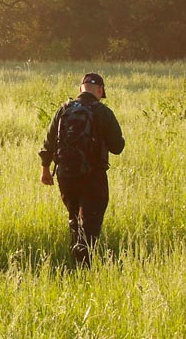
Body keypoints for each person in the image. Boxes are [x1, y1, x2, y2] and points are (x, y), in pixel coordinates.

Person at [39, 72, 125, 267]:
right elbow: (117, 147)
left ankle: (75, 263)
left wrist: (45, 169)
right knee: (90, 225)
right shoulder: (102, 112)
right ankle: (84, 268)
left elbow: (49, 141)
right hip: (93, 176)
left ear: (80, 89)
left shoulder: (64, 109)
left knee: (74, 220)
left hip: (66, 175)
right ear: (100, 90)